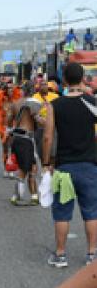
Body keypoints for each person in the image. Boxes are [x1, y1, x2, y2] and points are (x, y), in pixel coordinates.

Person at [42, 62, 97, 268]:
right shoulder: (92, 102)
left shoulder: (55, 105)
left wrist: (47, 162)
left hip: (64, 167)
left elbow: (48, 137)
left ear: (64, 79)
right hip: (89, 165)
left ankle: (60, 255)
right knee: (91, 211)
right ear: (83, 78)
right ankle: (92, 255)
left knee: (62, 212)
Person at [8, 97, 41, 205]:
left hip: (19, 138)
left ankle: (34, 196)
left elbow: (8, 120)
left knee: (32, 168)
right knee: (24, 169)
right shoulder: (32, 103)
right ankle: (15, 196)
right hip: (25, 139)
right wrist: (48, 121)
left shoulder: (15, 104)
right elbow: (37, 119)